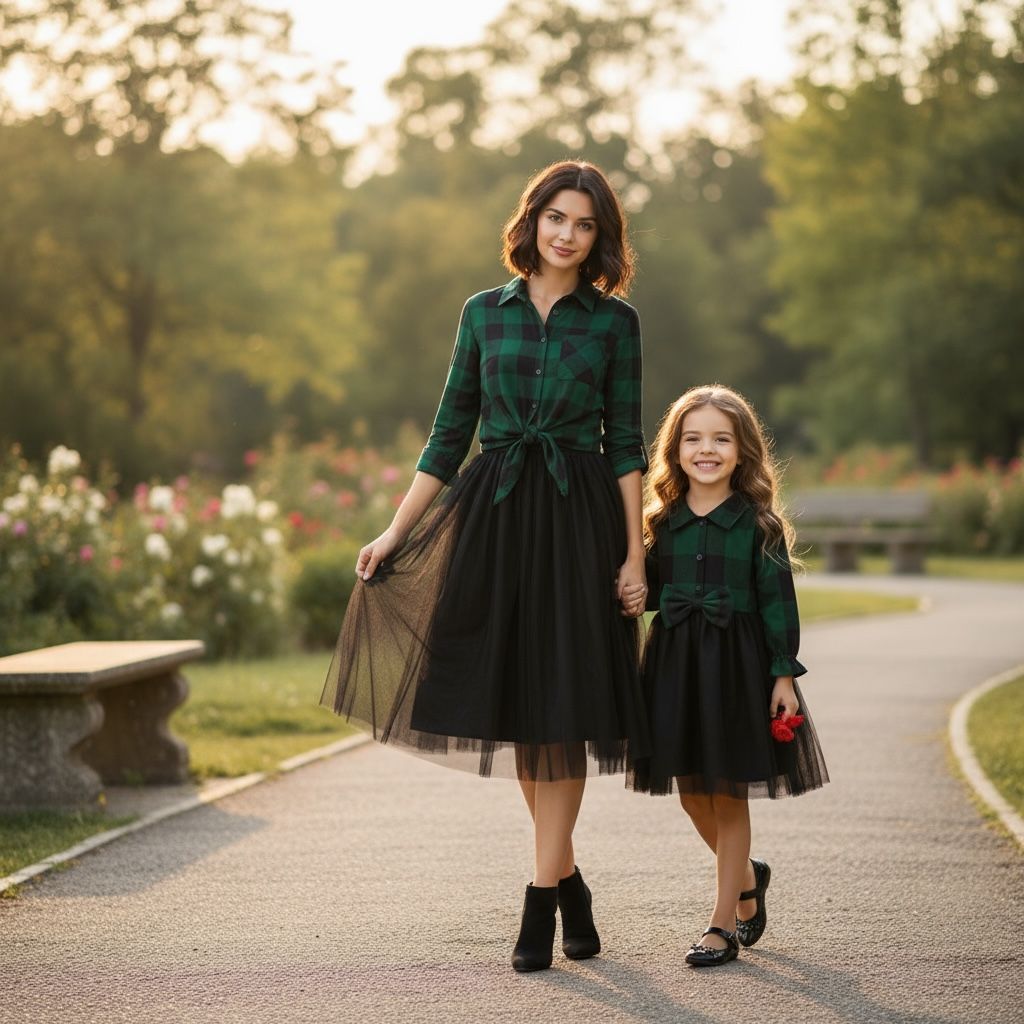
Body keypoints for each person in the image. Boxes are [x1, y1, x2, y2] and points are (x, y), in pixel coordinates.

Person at [321, 160, 652, 973]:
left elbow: (625, 445)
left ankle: (540, 898)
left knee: (563, 710)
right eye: (556, 218)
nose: (567, 235)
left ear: (600, 238)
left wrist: (634, 553)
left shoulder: (615, 325)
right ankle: (567, 881)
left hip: (577, 525)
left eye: (584, 225)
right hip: (496, 523)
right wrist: (395, 531)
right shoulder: (481, 313)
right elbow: (448, 433)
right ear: (532, 220)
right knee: (523, 712)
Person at [628, 384, 829, 967]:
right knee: (692, 796)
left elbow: (778, 606)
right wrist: (632, 591)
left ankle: (722, 925)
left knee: (727, 793)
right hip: (675, 667)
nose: (707, 450)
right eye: (693, 439)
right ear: (675, 450)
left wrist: (783, 676)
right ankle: (746, 878)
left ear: (742, 451)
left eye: (721, 439)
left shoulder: (758, 526)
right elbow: (647, 591)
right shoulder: (660, 523)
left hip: (737, 669)